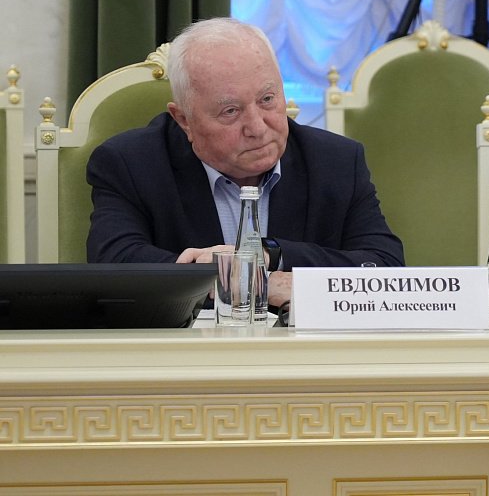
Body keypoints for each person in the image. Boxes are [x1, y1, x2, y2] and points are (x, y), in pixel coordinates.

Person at [86, 17, 405, 307]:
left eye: (267, 100)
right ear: (184, 120)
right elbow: (114, 266)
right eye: (231, 111)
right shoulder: (130, 164)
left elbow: (385, 268)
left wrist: (270, 257)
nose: (257, 127)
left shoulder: (335, 161)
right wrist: (225, 276)